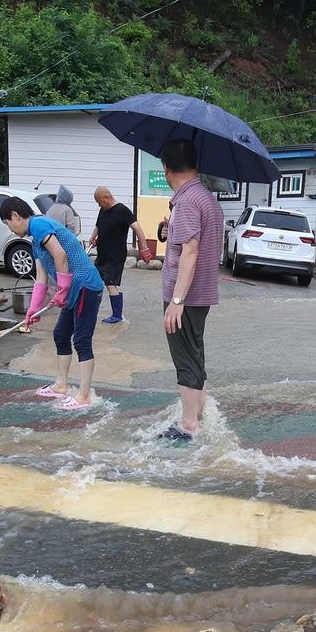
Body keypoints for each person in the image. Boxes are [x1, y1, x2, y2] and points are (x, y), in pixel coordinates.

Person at [0, 196, 105, 411]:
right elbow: (41, 278)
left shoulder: (38, 225)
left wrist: (62, 289)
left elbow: (60, 254)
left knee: (82, 340)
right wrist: (33, 309)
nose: (10, 229)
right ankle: (61, 385)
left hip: (85, 285)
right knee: (61, 334)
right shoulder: (34, 238)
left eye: (7, 223)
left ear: (15, 216)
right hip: (72, 289)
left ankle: (83, 395)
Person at [158, 140, 224, 443]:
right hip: (203, 294)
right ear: (194, 166)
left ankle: (188, 426)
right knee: (195, 354)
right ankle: (198, 415)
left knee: (184, 359)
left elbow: (190, 252)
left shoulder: (186, 201)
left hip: (186, 296)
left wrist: (176, 301)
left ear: (167, 168)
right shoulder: (206, 198)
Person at [89, 186, 150, 324]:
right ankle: (93, 308)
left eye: (99, 202)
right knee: (94, 279)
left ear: (106, 198)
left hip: (116, 255)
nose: (98, 205)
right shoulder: (103, 210)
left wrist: (144, 249)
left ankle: (117, 315)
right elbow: (98, 225)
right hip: (103, 254)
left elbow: (138, 229)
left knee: (110, 283)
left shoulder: (122, 210)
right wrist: (93, 237)